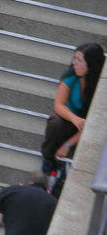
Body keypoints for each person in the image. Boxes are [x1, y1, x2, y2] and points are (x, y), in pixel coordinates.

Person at [41, 42, 105, 174]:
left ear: (91, 64)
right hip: (69, 120)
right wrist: (74, 118)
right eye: (74, 58)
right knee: (55, 122)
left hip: (89, 125)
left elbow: (96, 123)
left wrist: (68, 144)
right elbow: (58, 105)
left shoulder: (100, 84)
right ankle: (48, 157)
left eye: (79, 60)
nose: (74, 63)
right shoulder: (71, 74)